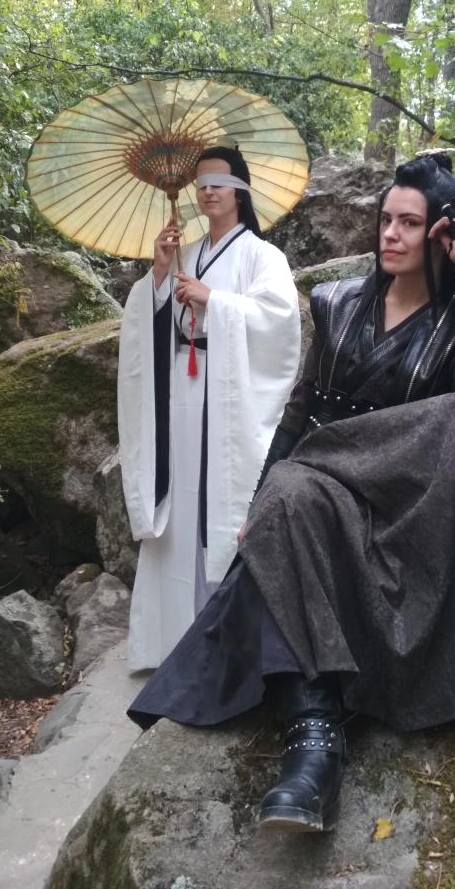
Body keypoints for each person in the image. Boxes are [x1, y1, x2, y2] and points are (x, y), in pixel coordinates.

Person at [127, 151, 455, 833]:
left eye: (411, 223)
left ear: (441, 233)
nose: (391, 234)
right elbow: (300, 409)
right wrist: (260, 502)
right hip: (324, 483)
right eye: (386, 219)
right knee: (289, 496)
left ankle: (330, 718)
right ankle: (314, 741)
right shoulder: (338, 301)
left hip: (409, 507)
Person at [118, 146, 301, 672]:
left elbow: (279, 322)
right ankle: (170, 642)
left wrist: (213, 301)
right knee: (179, 502)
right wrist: (160, 275)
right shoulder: (187, 252)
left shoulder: (263, 257)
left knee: (219, 505)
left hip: (227, 394)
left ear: (240, 190)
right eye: (200, 184)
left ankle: (227, 646)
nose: (207, 191)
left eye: (218, 182)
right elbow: (149, 322)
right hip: (180, 386)